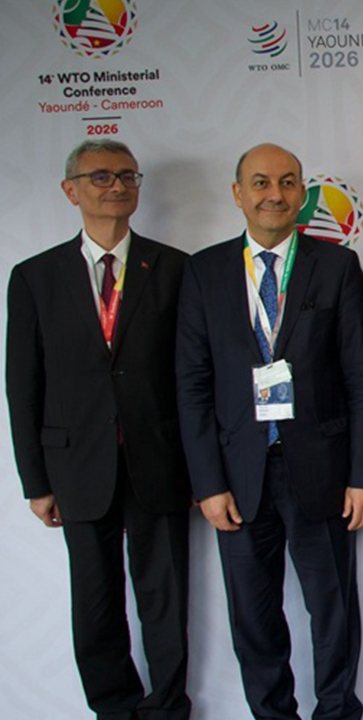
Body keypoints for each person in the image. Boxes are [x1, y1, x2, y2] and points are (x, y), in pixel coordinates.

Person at [176, 143, 363, 720]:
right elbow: (191, 384)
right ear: (237, 194)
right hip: (238, 476)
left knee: (333, 610)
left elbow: (362, 378)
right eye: (261, 182)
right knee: (253, 614)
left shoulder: (335, 266)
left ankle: (337, 712)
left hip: (322, 471)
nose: (275, 194)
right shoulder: (205, 271)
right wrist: (208, 483)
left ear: (301, 194)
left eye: (288, 182)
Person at [6, 139, 192, 720]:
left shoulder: (174, 268)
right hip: (76, 467)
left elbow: (193, 377)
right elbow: (22, 386)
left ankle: (168, 708)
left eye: (128, 176)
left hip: (159, 461)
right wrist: (36, 482)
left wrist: (201, 470)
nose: (117, 186)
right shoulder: (35, 277)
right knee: (95, 602)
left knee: (165, 600)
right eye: (101, 176)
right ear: (71, 191)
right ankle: (113, 709)